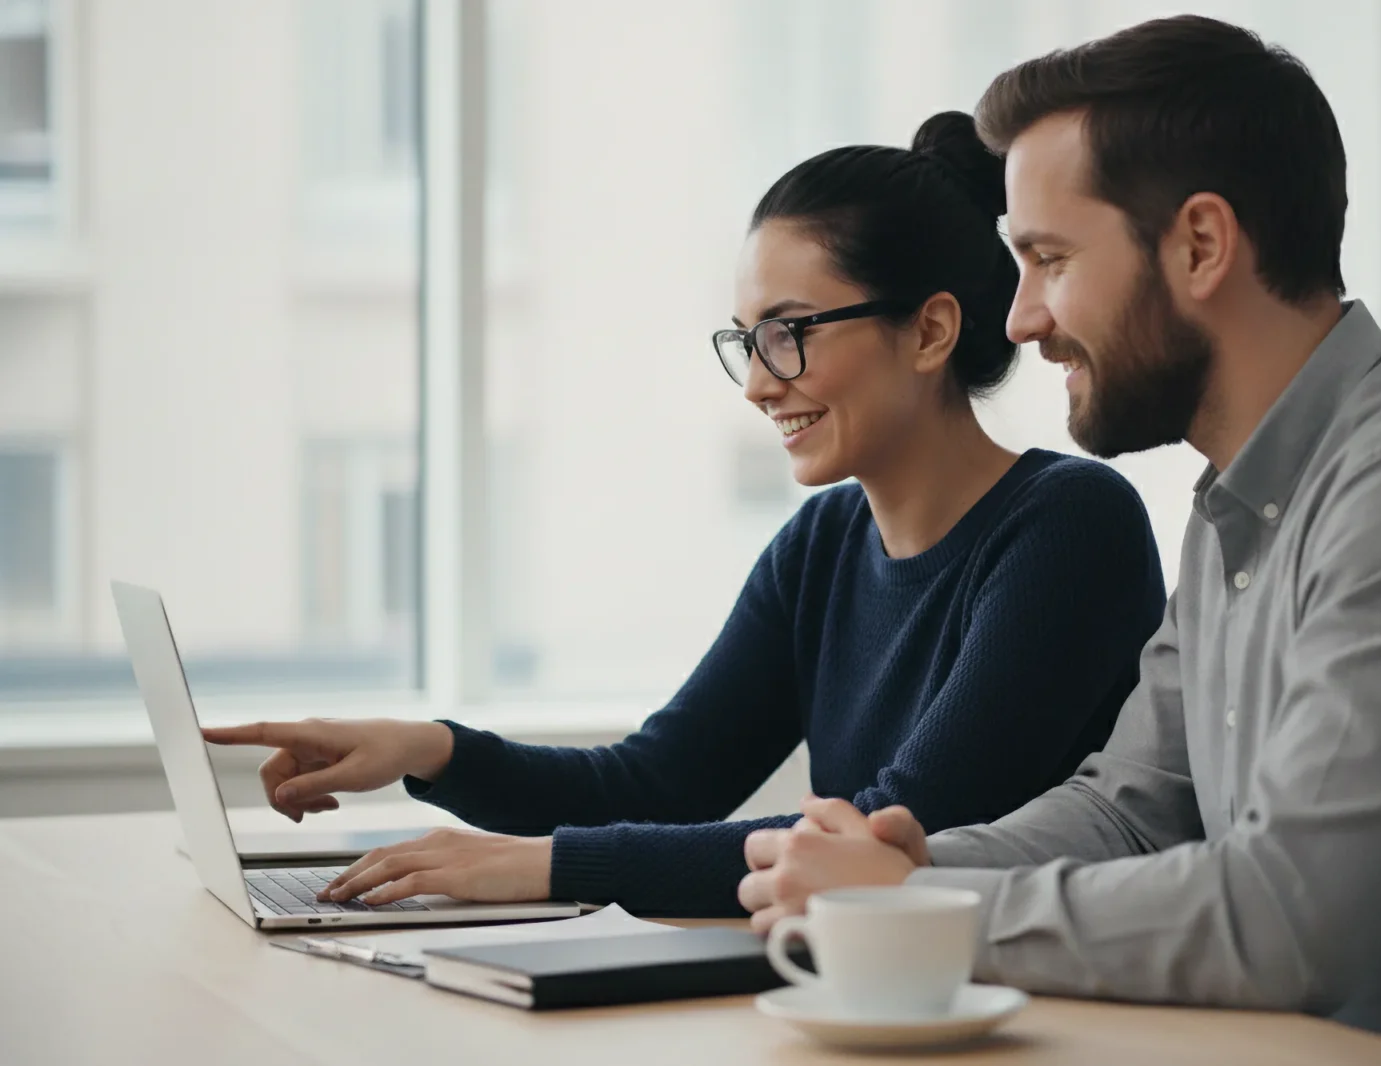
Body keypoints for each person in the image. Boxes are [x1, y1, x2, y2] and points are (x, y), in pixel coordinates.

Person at [739, 17, 1381, 1066]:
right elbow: (1133, 810)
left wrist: (924, 898)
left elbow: (1287, 917)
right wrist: (903, 861)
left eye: (1048, 259)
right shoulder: (1239, 503)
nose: (1017, 320)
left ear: (1200, 244)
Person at [202, 111, 1166, 918]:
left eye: (786, 335)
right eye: (745, 341)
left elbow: (884, 837)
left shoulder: (1069, 528)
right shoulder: (823, 547)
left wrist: (541, 867)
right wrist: (431, 749)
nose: (756, 384)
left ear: (930, 329)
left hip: (1017, 1016)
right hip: (869, 999)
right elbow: (657, 780)